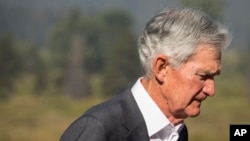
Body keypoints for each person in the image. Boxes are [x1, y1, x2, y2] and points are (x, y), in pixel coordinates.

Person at [60, 7, 231, 141]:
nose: (211, 90)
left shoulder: (177, 132)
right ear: (162, 68)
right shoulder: (98, 129)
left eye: (214, 77)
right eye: (203, 76)